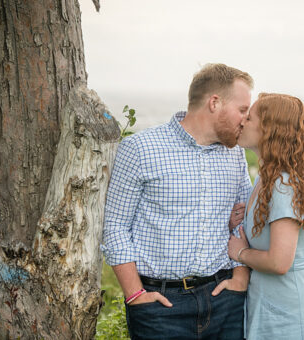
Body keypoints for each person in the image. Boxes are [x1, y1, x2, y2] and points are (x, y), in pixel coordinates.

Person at [101, 63, 254, 339]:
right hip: (159, 307)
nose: (246, 119)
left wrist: (241, 278)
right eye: (242, 110)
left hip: (225, 301)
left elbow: (244, 221)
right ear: (214, 103)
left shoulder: (235, 154)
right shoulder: (140, 149)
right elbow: (115, 226)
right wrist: (135, 294)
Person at [227, 93, 304, 339]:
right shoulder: (266, 178)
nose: (243, 121)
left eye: (251, 117)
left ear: (270, 129)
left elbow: (279, 262)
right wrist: (243, 218)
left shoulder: (283, 185)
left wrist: (240, 253)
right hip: (275, 303)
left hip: (293, 308)